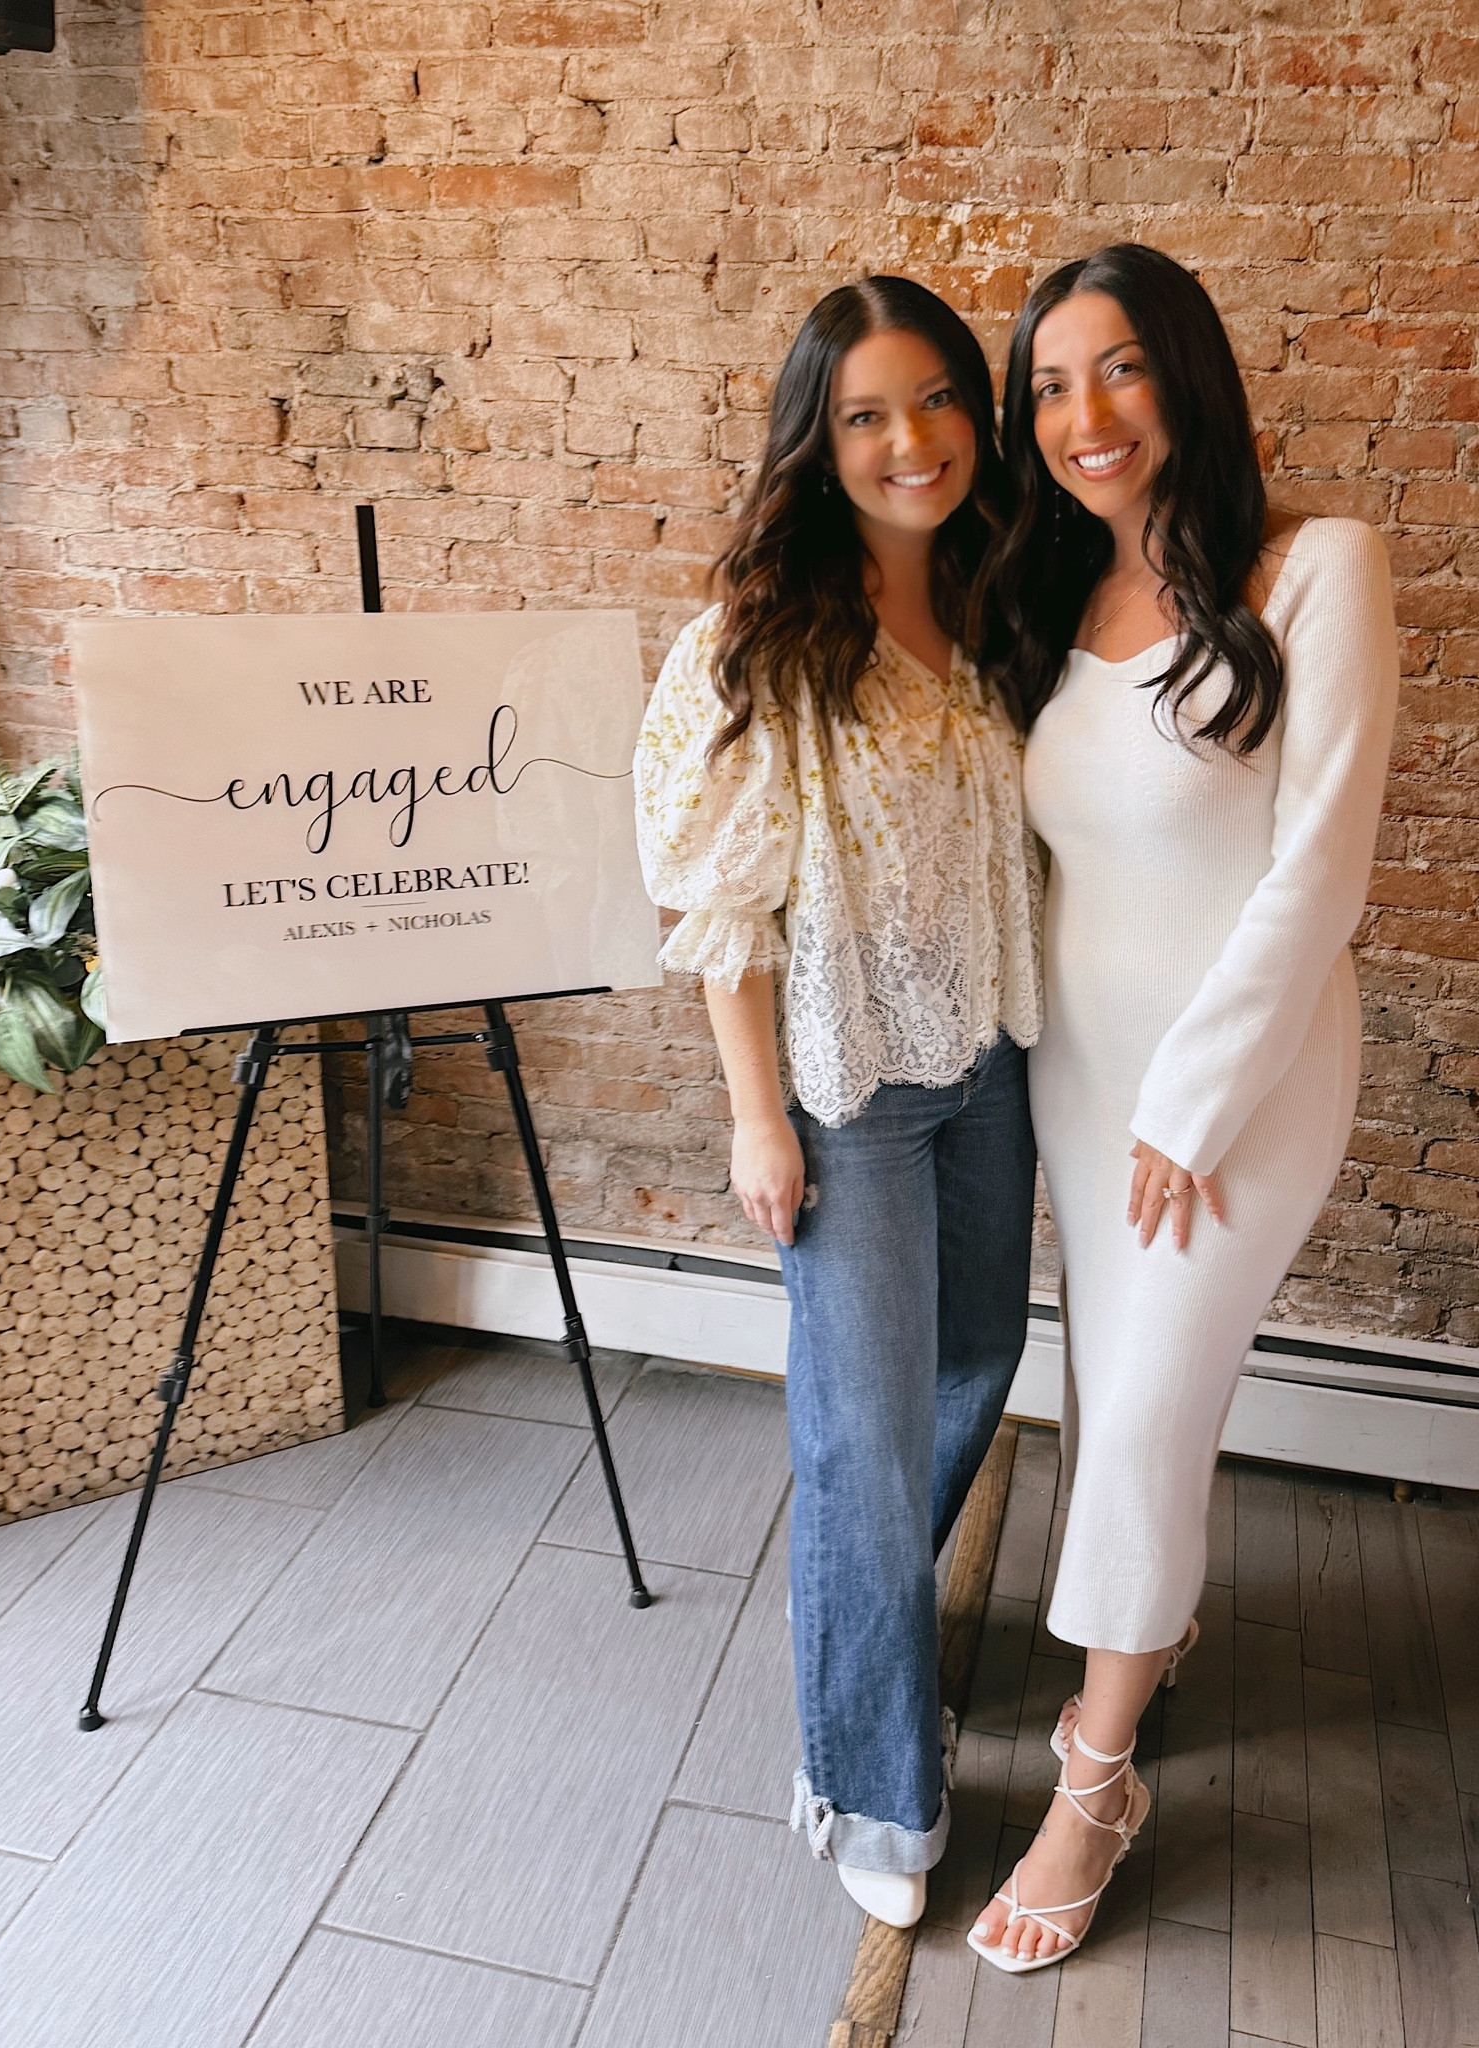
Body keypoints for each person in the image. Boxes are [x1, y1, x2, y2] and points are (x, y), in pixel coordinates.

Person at [963, 242, 1399, 1973]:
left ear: (1189, 376)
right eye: (1051, 386)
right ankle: (1153, 1625)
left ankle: (1095, 1775)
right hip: (1080, 1075)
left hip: (1245, 1079)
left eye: (1120, 368)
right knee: (1110, 1385)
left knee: (1141, 1409)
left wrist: (1191, 1107)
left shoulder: (1314, 569)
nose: (1086, 416)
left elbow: (1320, 871)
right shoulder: (1041, 596)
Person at [634, 276, 1041, 1929]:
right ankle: (866, 1769)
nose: (909, 440)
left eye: (936, 399)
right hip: (844, 1089)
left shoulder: (1004, 601)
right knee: (860, 1446)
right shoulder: (755, 638)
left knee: (975, 1363)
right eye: (866, 412)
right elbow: (721, 907)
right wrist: (755, 1118)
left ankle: (865, 1636)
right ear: (819, 440)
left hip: (988, 1063)